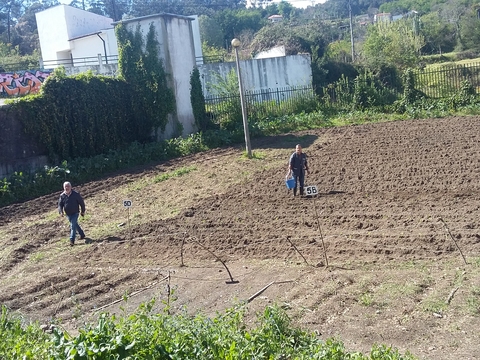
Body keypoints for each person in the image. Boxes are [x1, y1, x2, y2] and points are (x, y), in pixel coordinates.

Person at [58, 181, 86, 246]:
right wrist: (61, 212)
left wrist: (83, 211)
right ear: (63, 188)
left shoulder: (76, 194)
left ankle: (72, 240)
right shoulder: (62, 196)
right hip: (68, 214)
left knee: (72, 226)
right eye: (65, 187)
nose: (67, 188)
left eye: (68, 186)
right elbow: (60, 205)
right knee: (75, 224)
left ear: (71, 187)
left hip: (75, 212)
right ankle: (82, 234)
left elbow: (81, 203)